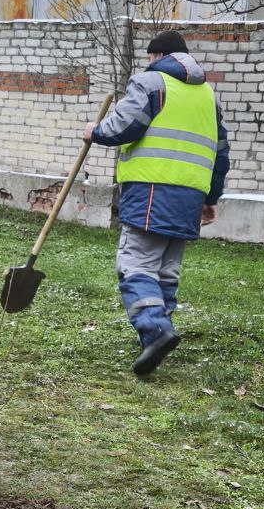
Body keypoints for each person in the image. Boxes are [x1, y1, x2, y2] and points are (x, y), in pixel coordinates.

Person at [84, 29, 230, 376]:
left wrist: (96, 131)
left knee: (134, 263)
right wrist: (210, 197)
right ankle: (157, 337)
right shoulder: (209, 96)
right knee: (165, 268)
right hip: (190, 196)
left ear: (156, 56)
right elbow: (221, 154)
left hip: (152, 189)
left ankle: (155, 330)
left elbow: (126, 126)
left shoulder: (151, 82)